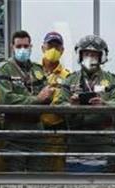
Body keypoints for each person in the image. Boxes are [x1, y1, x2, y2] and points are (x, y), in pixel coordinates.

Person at [57, 34, 115, 172]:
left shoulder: (111, 80)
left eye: (94, 54)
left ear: (101, 57)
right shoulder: (70, 80)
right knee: (75, 187)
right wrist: (71, 106)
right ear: (80, 56)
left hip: (104, 142)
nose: (90, 58)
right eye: (86, 54)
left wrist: (103, 105)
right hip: (77, 143)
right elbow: (60, 104)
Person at [0, 30, 53, 173]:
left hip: (37, 131)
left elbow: (46, 97)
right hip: (15, 131)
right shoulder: (4, 69)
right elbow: (7, 99)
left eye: (26, 46)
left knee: (38, 176)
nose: (23, 50)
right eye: (19, 46)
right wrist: (36, 99)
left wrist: (46, 97)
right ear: (12, 47)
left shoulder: (37, 70)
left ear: (31, 47)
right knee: (15, 176)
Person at [38, 31, 70, 172]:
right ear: (42, 48)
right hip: (34, 130)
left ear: (62, 50)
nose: (53, 50)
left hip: (57, 133)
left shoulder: (68, 76)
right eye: (50, 46)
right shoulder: (32, 72)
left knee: (57, 174)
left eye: (57, 47)